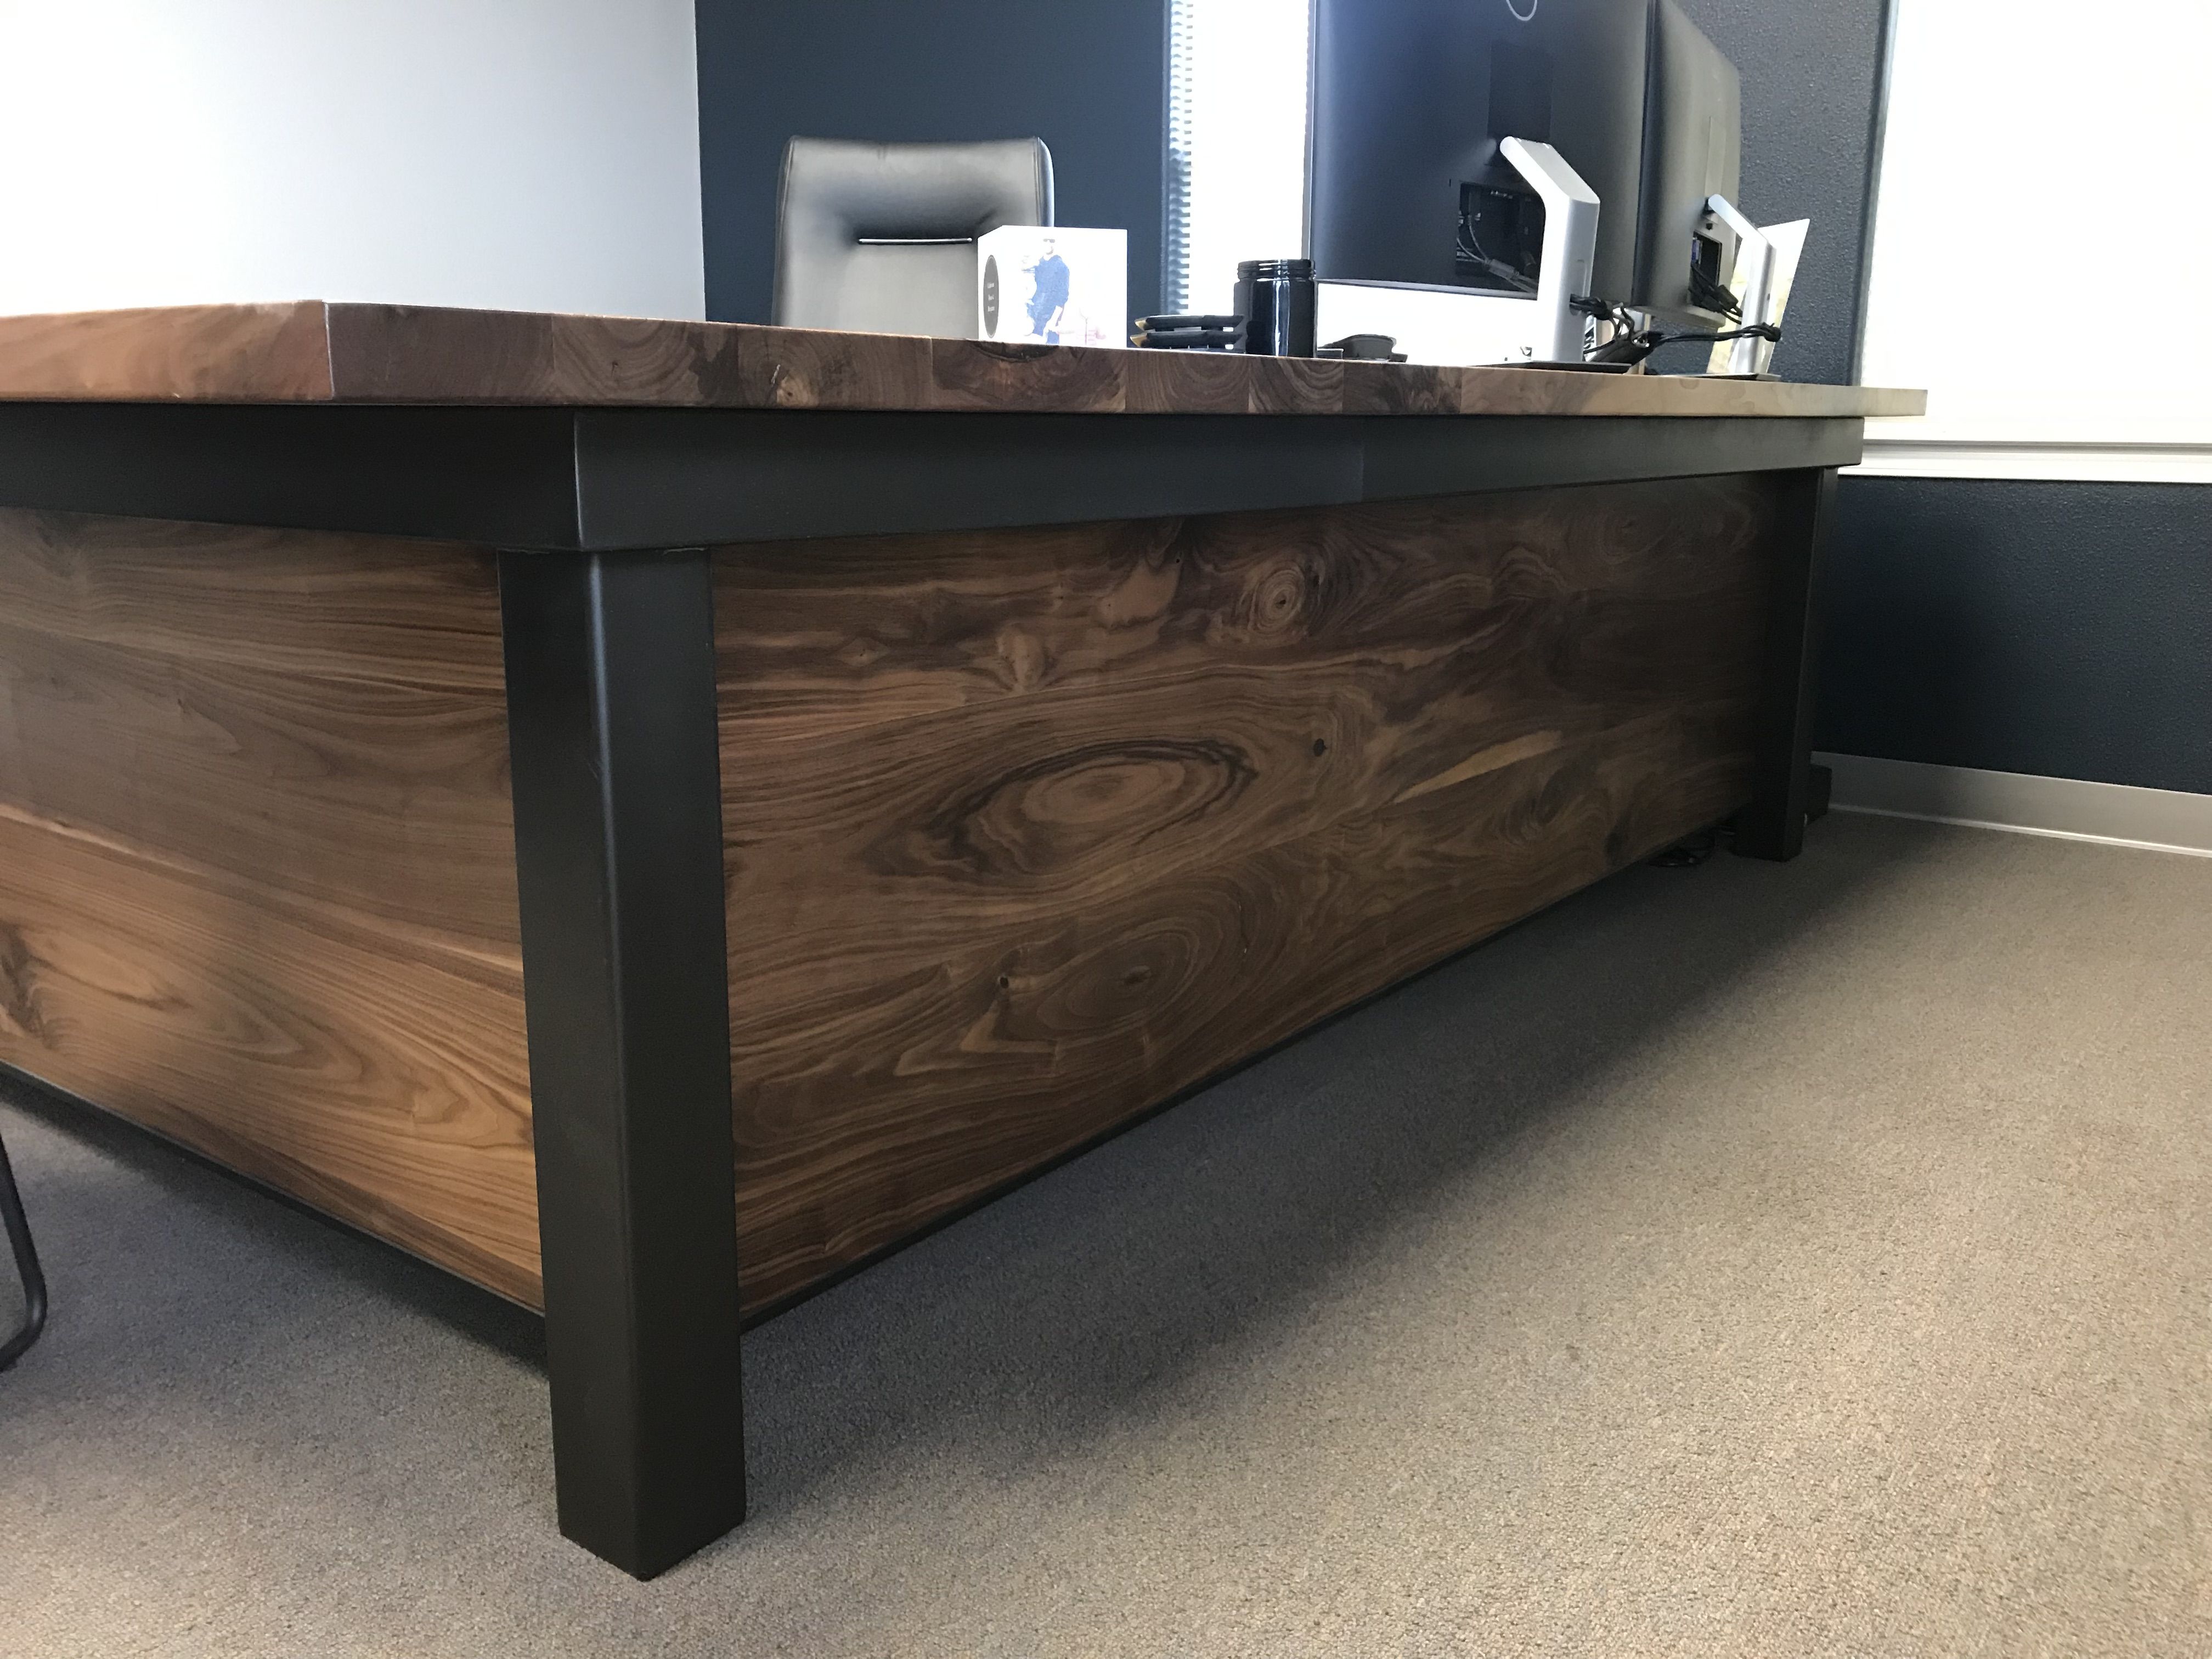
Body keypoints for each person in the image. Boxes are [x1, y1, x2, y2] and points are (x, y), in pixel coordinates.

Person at [1024, 239, 1070, 345]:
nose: (1049, 244)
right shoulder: (1037, 265)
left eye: (1052, 241)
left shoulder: (1062, 267)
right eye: (1046, 241)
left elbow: (1062, 297)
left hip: (1050, 319)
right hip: (1034, 317)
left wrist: (1053, 321)